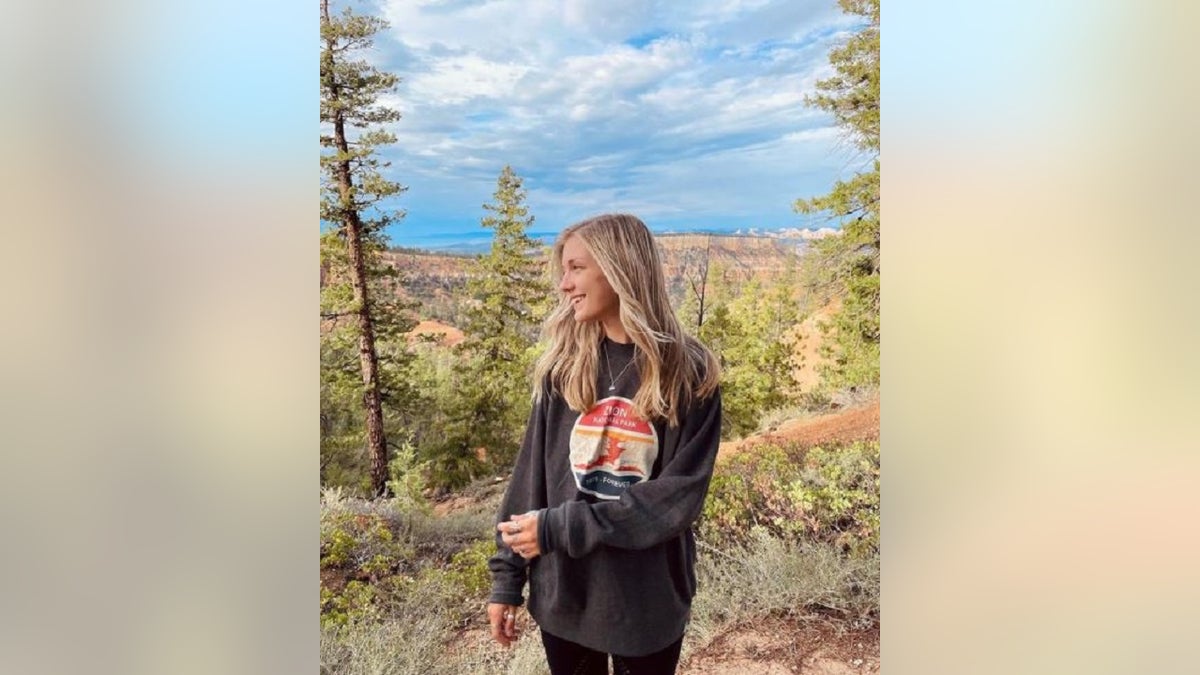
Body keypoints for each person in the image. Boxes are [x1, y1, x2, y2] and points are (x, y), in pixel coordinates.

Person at [486, 213, 723, 675]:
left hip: (645, 603)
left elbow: (677, 499)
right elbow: (529, 480)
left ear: (619, 269)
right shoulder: (563, 369)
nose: (564, 284)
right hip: (565, 596)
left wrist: (561, 528)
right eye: (563, 270)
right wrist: (506, 579)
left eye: (576, 268)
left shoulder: (688, 374)